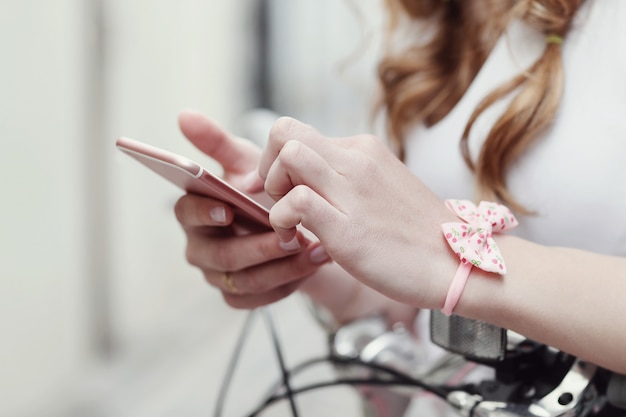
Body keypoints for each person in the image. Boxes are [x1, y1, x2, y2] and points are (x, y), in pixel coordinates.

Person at [173, 0, 626, 407]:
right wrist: (325, 258)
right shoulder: (434, 25)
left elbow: (438, 262)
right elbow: (429, 327)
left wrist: (454, 257)